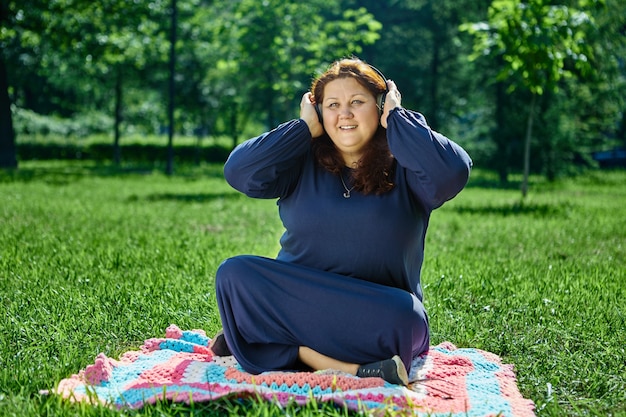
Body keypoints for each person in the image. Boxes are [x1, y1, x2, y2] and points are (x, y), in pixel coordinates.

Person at [211, 57, 472, 386]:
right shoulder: (300, 161)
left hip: (376, 315)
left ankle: (271, 341)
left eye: (357, 102)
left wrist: (399, 118)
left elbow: (453, 171)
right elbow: (239, 172)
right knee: (235, 274)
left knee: (406, 317)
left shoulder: (409, 168)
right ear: (319, 113)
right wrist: (301, 129)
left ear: (379, 107)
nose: (344, 114)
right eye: (332, 104)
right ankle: (341, 365)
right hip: (304, 301)